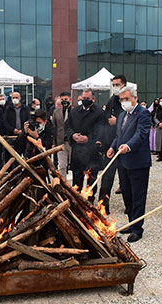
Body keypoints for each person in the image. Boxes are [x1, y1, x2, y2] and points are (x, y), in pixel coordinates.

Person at [107, 86, 151, 243]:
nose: (124, 102)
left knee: (138, 196)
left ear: (135, 98)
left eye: (126, 99)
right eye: (121, 99)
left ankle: (138, 228)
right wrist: (113, 146)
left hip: (138, 161)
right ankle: (132, 222)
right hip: (123, 161)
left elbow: (141, 134)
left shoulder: (143, 113)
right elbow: (119, 135)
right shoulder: (121, 115)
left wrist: (128, 146)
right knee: (127, 194)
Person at [65, 89, 103, 201]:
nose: (85, 100)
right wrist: (72, 135)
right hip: (77, 150)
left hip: (92, 151)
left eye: (87, 99)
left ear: (93, 99)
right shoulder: (74, 111)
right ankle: (76, 200)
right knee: (77, 177)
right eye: (83, 98)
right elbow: (67, 126)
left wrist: (88, 138)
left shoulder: (99, 112)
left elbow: (100, 130)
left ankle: (90, 201)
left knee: (91, 178)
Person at [98, 75, 125, 214]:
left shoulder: (127, 100)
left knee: (126, 178)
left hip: (125, 146)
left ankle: (130, 205)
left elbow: (130, 120)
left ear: (124, 85)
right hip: (111, 144)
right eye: (113, 84)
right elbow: (104, 120)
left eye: (117, 84)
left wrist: (118, 121)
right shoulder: (111, 100)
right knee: (107, 176)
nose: (115, 87)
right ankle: (103, 205)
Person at [3, 91, 30, 161]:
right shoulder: (8, 109)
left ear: (20, 98)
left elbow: (28, 120)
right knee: (12, 156)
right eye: (13, 98)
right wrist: (13, 129)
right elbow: (5, 122)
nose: (15, 99)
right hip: (11, 135)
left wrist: (23, 130)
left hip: (23, 135)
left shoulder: (25, 108)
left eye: (16, 97)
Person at [52, 91, 73, 178]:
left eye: (66, 99)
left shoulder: (75, 111)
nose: (64, 101)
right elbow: (54, 127)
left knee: (74, 164)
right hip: (60, 141)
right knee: (62, 165)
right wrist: (54, 142)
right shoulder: (56, 112)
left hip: (72, 141)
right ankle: (62, 184)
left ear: (70, 99)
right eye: (62, 99)